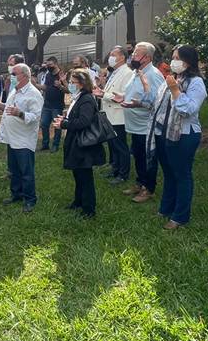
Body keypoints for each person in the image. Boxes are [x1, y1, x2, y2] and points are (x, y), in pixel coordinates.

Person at [147, 45, 207, 229]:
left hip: (183, 135)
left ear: (188, 61)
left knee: (182, 175)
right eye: (172, 57)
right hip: (163, 133)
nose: (173, 61)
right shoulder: (172, 79)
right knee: (168, 174)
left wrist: (175, 90)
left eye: (177, 58)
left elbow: (188, 110)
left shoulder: (196, 82)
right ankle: (166, 209)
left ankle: (180, 216)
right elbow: (159, 106)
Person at [53, 68, 106, 218]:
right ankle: (78, 201)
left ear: (82, 83)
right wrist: (65, 119)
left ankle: (89, 209)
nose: (70, 84)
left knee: (85, 176)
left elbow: (84, 121)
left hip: (84, 144)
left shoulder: (87, 98)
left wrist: (64, 124)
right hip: (76, 141)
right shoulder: (79, 96)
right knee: (78, 173)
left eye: (73, 82)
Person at [117, 43, 165, 203]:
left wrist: (139, 104)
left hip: (146, 126)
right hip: (134, 124)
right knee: (137, 154)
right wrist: (123, 97)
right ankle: (140, 182)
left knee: (147, 158)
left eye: (137, 54)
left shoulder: (154, 74)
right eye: (134, 54)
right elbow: (133, 92)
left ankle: (148, 188)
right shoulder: (136, 72)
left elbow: (159, 102)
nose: (133, 57)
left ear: (147, 58)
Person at [0, 63, 43, 212]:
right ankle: (17, 194)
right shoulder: (15, 90)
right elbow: (10, 108)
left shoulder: (33, 93)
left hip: (24, 139)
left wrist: (20, 113)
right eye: (11, 74)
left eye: (14, 74)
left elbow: (36, 116)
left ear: (25, 76)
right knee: (14, 169)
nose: (11, 77)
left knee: (26, 171)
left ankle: (30, 199)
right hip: (12, 137)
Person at [94, 46, 133, 184]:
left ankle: (123, 174)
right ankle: (115, 168)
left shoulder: (127, 73)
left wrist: (104, 94)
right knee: (113, 146)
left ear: (122, 57)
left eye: (113, 54)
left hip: (118, 115)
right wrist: (101, 92)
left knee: (120, 146)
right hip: (110, 114)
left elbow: (124, 95)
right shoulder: (115, 72)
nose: (110, 57)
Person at [38, 56, 66, 152]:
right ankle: (45, 144)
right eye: (47, 65)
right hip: (47, 104)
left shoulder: (62, 74)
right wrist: (35, 85)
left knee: (57, 126)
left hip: (57, 105)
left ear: (55, 63)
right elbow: (45, 87)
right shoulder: (48, 75)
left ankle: (55, 145)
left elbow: (68, 90)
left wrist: (60, 85)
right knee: (44, 124)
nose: (48, 67)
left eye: (50, 65)